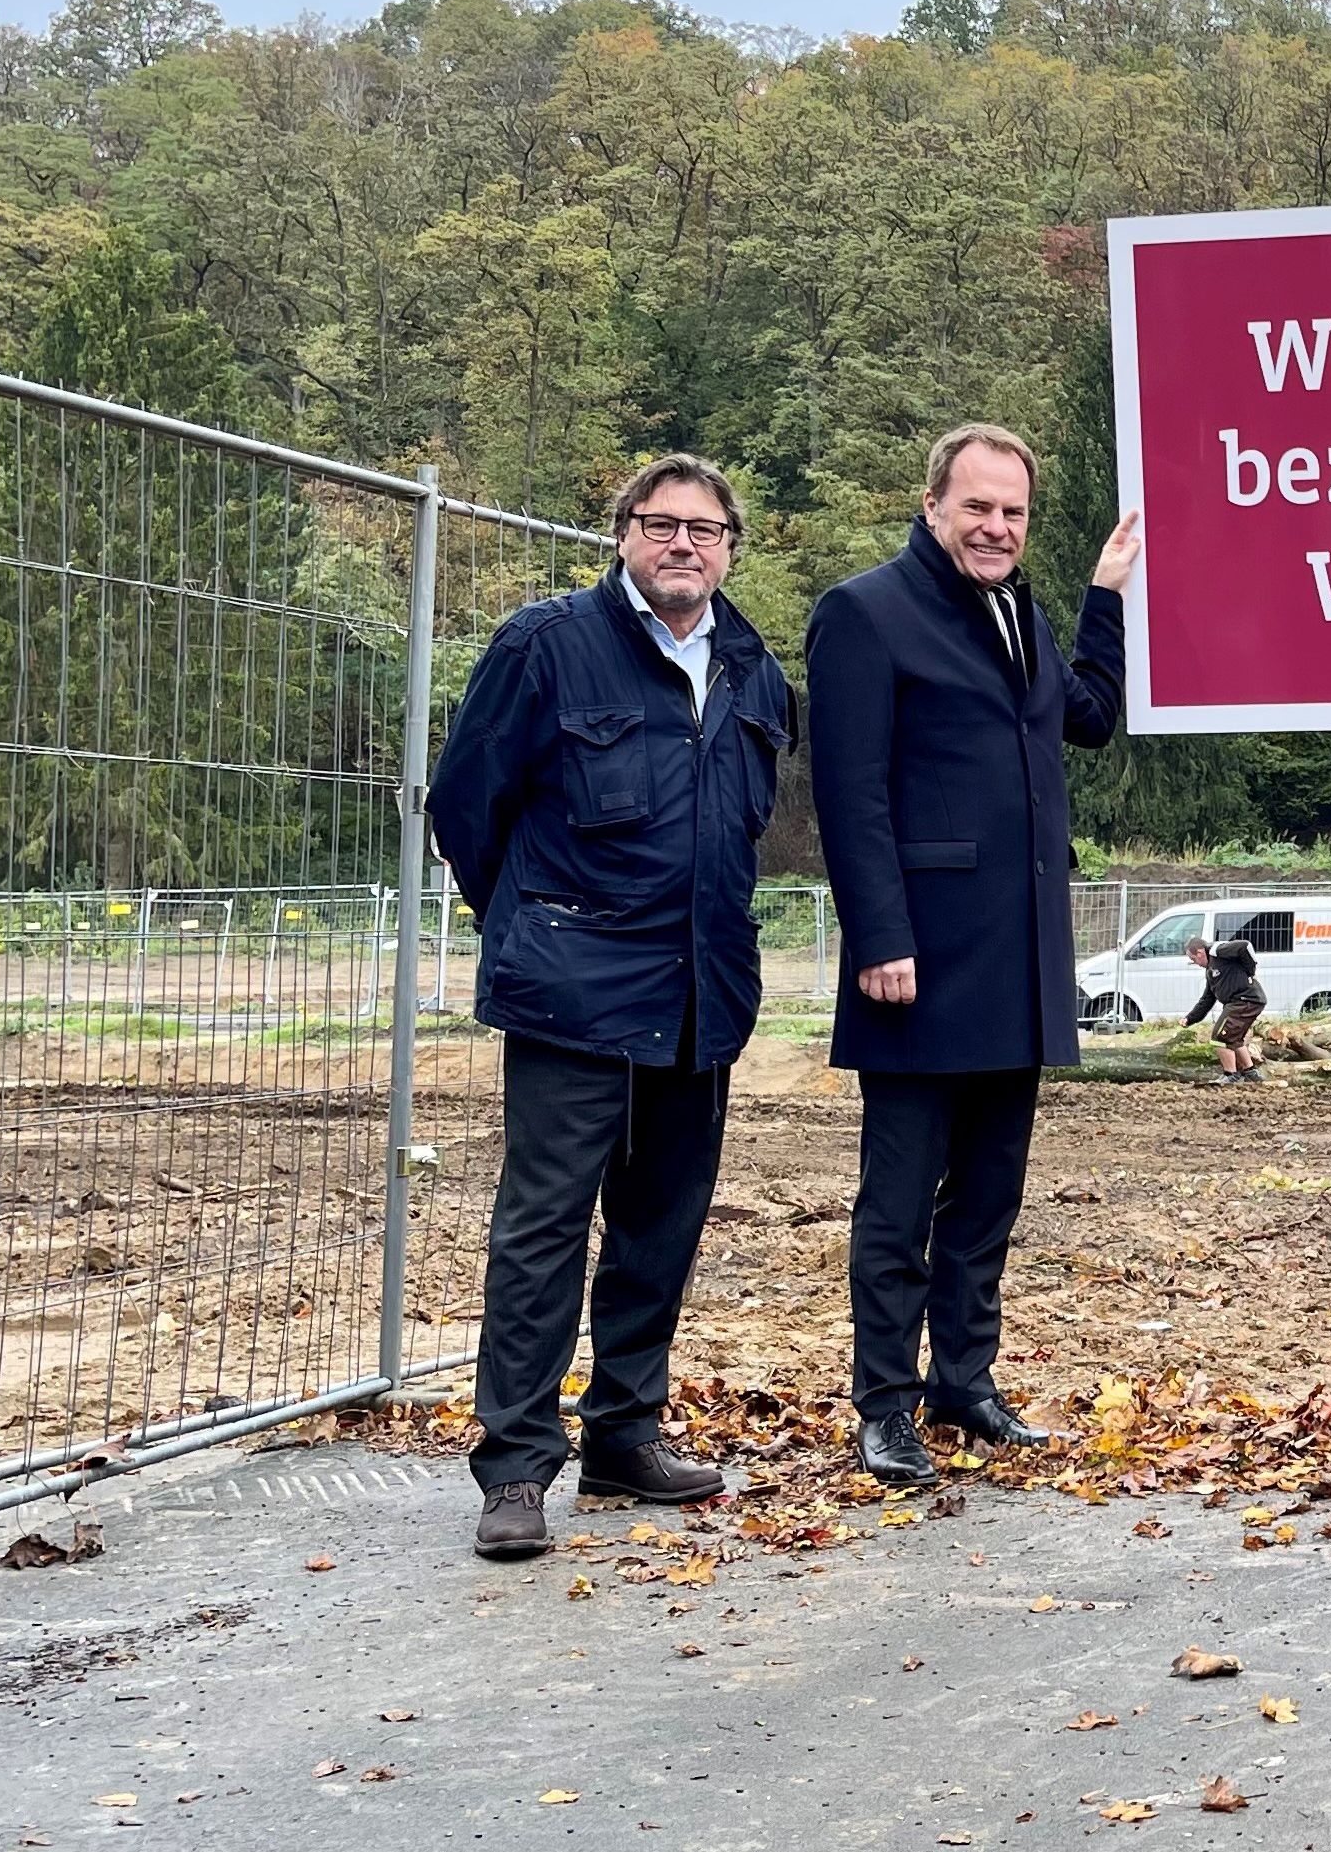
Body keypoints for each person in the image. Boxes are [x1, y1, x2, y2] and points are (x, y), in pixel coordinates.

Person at [430, 454, 796, 1562]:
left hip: (700, 991)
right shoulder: (546, 646)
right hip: (572, 997)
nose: (683, 544)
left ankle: (624, 1434)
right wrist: (541, 924)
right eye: (660, 524)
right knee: (542, 1232)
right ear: (624, 536)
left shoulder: (751, 668)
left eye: (705, 528)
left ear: (732, 546)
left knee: (661, 1228)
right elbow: (467, 808)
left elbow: (744, 826)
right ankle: (516, 1467)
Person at [810, 425, 1141, 1487]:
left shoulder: (1021, 613)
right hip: (919, 962)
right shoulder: (864, 614)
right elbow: (848, 792)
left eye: (1014, 513)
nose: (996, 528)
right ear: (934, 503)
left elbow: (1085, 717)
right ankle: (884, 1405)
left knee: (989, 1192)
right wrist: (880, 936)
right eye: (978, 508)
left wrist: (1105, 594)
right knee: (900, 1202)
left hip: (1020, 957)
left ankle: (965, 1381)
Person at [1183, 935, 1266, 1082]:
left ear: (1200, 953)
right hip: (1242, 1002)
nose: (1195, 963)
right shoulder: (1210, 971)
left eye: (1194, 959)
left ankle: (1230, 1075)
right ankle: (1250, 1072)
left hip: (1244, 999)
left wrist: (1249, 971)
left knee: (1219, 1037)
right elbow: (1207, 999)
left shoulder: (1218, 951)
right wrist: (1189, 1018)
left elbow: (1245, 945)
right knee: (1234, 1038)